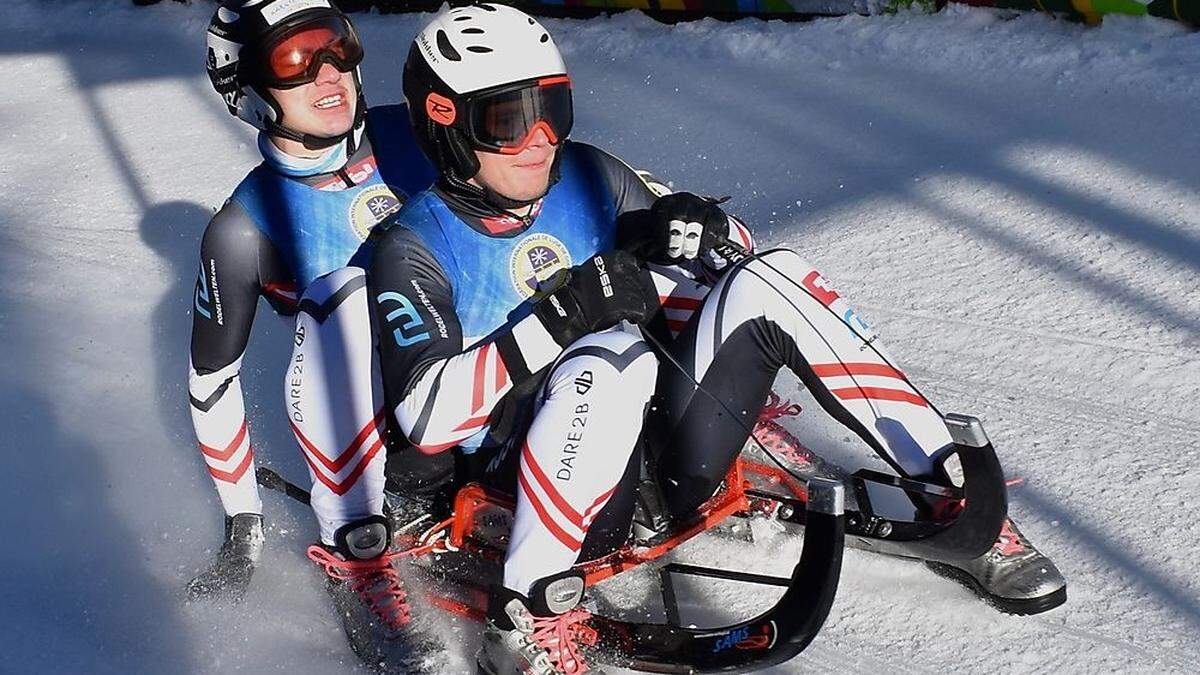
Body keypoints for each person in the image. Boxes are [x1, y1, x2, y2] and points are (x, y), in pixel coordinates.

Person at [294, 3, 1064, 672]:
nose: (539, 139)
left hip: (653, 473)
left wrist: (702, 222)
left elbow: (734, 248)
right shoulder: (412, 246)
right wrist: (560, 316)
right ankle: (527, 622)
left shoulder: (589, 174)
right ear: (448, 125)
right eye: (508, 118)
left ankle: (956, 490)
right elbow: (428, 418)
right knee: (609, 353)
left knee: (775, 274)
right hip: (513, 497)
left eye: (553, 110)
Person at [186, 0, 437, 646]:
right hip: (392, 448)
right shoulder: (243, 227)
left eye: (337, 47)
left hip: (483, 388)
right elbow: (211, 381)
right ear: (248, 92)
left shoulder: (414, 131)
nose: (329, 73)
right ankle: (356, 554)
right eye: (296, 59)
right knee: (343, 296)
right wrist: (243, 524)